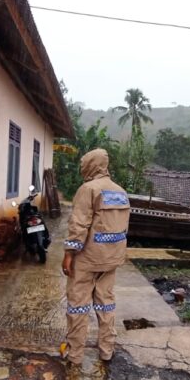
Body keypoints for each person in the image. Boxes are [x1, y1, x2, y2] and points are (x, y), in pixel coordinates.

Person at [61, 148, 130, 365]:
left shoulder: (88, 189)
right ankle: (106, 350)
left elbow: (79, 224)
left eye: (85, 163)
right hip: (112, 259)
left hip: (87, 258)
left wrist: (69, 253)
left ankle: (75, 355)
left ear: (91, 165)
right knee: (106, 304)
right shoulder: (120, 191)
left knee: (78, 305)